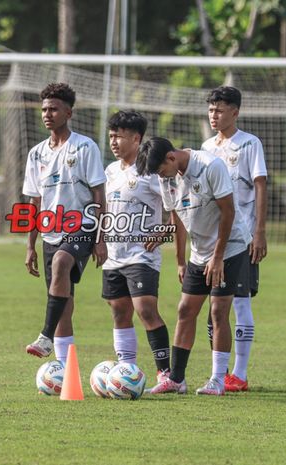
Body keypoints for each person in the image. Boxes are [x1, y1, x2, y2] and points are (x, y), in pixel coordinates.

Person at [137, 137, 252, 396]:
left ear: (171, 157)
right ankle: (176, 379)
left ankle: (218, 380)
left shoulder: (211, 166)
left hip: (230, 247)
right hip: (199, 253)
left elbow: (228, 211)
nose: (161, 177)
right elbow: (176, 218)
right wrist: (180, 260)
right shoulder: (166, 177)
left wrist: (219, 256)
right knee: (185, 310)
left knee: (218, 311)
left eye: (160, 170)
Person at [22, 83, 108, 363]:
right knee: (64, 303)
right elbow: (34, 202)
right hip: (49, 231)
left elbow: (98, 193)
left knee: (61, 263)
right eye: (44, 109)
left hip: (81, 225)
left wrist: (100, 237)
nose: (47, 114)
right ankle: (62, 369)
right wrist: (30, 245)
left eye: (54, 109)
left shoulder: (84, 147)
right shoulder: (36, 154)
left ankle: (45, 336)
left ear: (68, 112)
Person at [201, 86, 268, 392]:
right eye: (211, 110)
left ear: (235, 112)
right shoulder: (206, 147)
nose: (214, 115)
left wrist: (259, 232)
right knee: (216, 306)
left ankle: (239, 374)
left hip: (242, 239)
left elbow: (260, 187)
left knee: (240, 303)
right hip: (212, 242)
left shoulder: (249, 144)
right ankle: (220, 370)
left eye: (220, 110)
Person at [102, 111, 171, 383]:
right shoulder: (109, 171)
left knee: (145, 310)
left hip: (142, 254)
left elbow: (175, 203)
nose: (114, 142)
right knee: (119, 311)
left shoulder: (150, 171)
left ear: (136, 138)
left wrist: (165, 230)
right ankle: (126, 370)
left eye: (119, 136)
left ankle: (166, 374)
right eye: (111, 136)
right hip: (113, 255)